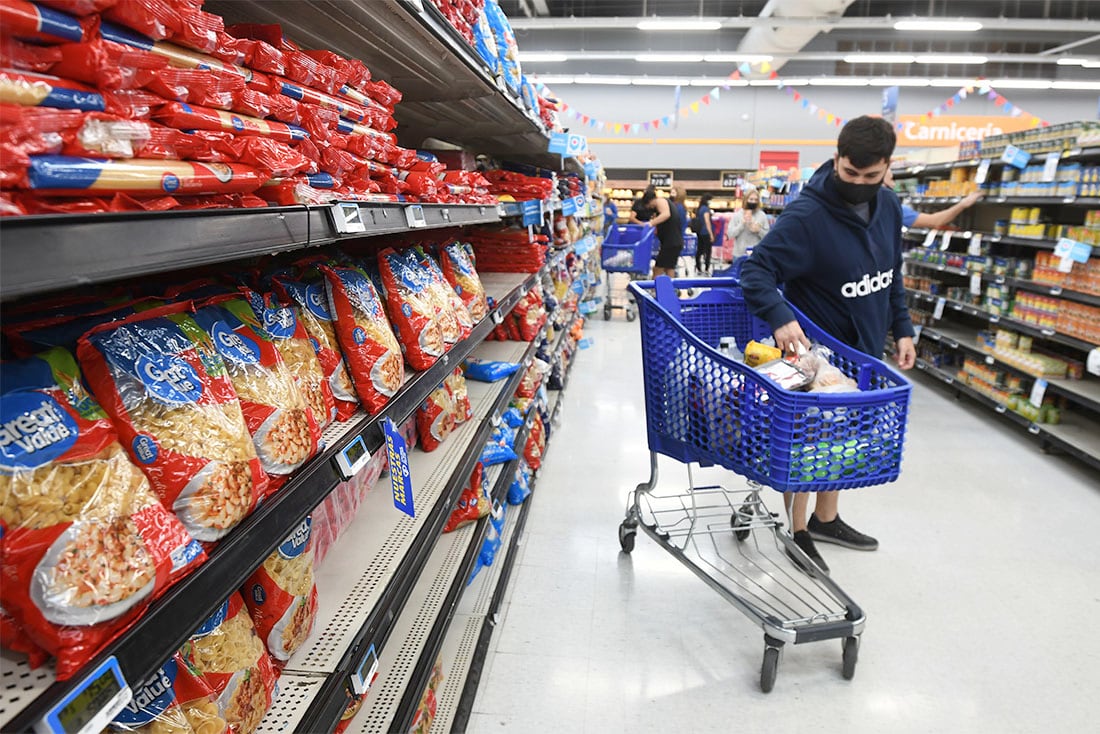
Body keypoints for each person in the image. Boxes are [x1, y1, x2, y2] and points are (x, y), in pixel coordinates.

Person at [740, 115, 916, 575]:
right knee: (807, 440)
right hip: (814, 355)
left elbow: (892, 276)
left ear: (886, 168)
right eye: (849, 173)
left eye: (870, 176)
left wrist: (904, 328)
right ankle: (797, 531)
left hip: (864, 348)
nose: (858, 184)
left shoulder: (890, 208)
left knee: (846, 436)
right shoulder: (807, 215)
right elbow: (755, 272)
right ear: (836, 159)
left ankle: (826, 519)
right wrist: (780, 318)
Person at [883, 169, 983, 229]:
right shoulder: (894, 210)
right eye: (891, 180)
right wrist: (962, 204)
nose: (894, 184)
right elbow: (935, 221)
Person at [642, 187, 683, 279]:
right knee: (669, 267)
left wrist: (651, 223)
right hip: (674, 242)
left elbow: (666, 214)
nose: (650, 208)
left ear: (651, 200)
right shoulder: (662, 204)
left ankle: (654, 289)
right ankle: (670, 289)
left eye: (649, 205)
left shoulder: (660, 201)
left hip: (671, 242)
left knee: (658, 268)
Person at [727, 187, 770, 259]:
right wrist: (741, 224)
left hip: (756, 255)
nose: (753, 202)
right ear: (746, 200)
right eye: (751, 199)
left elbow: (768, 237)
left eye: (756, 200)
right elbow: (730, 234)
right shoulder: (738, 215)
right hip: (739, 255)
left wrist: (759, 230)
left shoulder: (762, 215)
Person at [693, 194, 715, 274]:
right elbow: (707, 222)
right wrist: (711, 234)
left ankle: (698, 267)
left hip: (699, 232)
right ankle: (706, 268)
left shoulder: (699, 209)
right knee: (708, 251)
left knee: (699, 250)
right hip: (706, 232)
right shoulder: (706, 209)